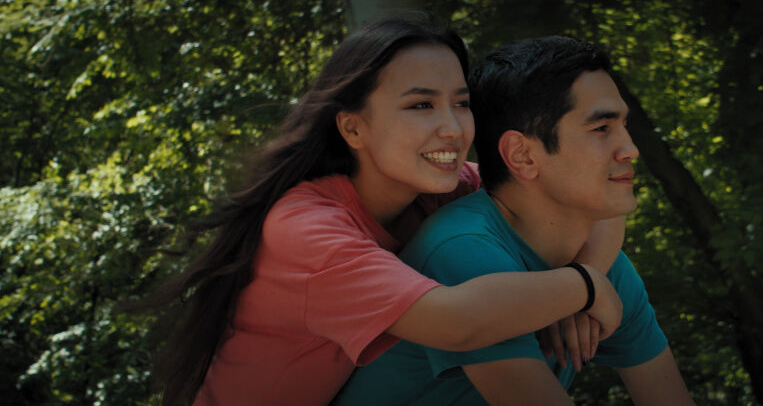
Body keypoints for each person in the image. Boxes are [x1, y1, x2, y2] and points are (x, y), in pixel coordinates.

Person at [147, 20, 627, 406]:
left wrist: (582, 281)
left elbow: (584, 190)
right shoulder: (306, 230)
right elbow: (456, 322)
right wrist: (585, 287)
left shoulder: (440, 191)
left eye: (461, 103)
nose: (452, 127)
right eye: (421, 104)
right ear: (353, 128)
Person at [333, 36, 695, 405]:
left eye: (623, 125)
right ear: (522, 156)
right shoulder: (464, 252)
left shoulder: (603, 267)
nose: (630, 149)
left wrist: (584, 283)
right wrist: (583, 288)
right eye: (601, 128)